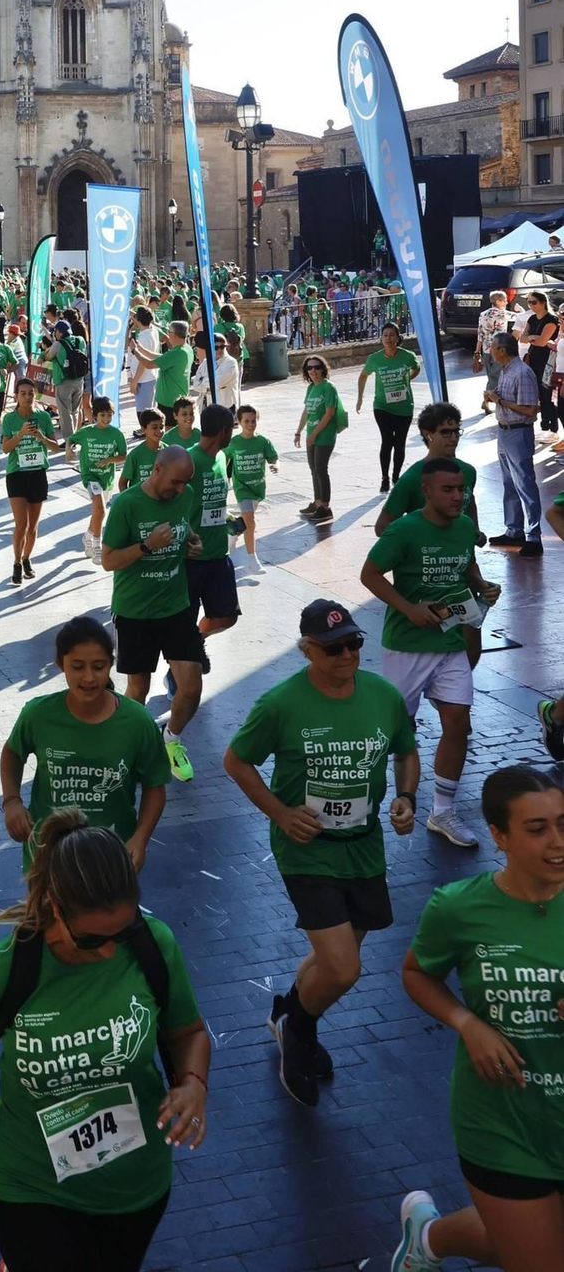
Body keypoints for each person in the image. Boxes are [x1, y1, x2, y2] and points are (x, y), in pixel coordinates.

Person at [0, 814, 211, 1272]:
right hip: (31, 1185)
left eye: (122, 931)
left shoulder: (153, 946)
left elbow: (189, 1032)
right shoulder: (2, 969)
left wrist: (195, 1083)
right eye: (92, 937)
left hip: (135, 1184)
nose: (107, 950)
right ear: (55, 904)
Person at [223, 599, 420, 1109]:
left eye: (354, 643)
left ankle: (288, 1012)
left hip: (363, 847)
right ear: (307, 650)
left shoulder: (382, 696)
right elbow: (236, 761)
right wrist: (281, 814)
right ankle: (299, 1035)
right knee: (343, 967)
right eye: (333, 648)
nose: (347, 655)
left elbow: (406, 749)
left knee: (338, 958)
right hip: (306, 851)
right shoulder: (280, 704)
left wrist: (406, 797)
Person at [392, 765, 564, 1272]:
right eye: (537, 829)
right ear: (499, 835)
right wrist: (468, 1024)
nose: (557, 842)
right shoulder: (457, 909)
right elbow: (417, 974)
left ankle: (430, 1238)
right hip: (502, 1122)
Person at [361, 457, 499, 851]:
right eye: (448, 490)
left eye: (461, 489)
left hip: (450, 640)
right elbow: (369, 575)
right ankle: (370, 805)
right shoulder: (403, 531)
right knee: (397, 732)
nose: (458, 496)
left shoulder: (465, 528)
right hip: (407, 646)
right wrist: (408, 608)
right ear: (427, 491)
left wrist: (483, 584)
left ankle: (442, 810)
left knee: (458, 722)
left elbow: (466, 567)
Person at [1, 617, 168, 871]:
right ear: (60, 665)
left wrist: (140, 837)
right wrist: (11, 801)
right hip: (48, 860)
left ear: (111, 665)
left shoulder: (138, 722)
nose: (89, 677)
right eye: (77, 666)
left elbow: (155, 786)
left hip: (112, 858)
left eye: (98, 666)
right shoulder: (38, 714)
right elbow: (13, 752)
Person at [101, 445, 203, 782]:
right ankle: (131, 746)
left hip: (176, 607)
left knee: (191, 686)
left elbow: (184, 525)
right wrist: (146, 546)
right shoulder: (126, 504)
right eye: (175, 482)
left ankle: (170, 739)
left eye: (184, 484)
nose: (179, 489)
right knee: (137, 690)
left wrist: (191, 540)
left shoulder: (185, 495)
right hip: (135, 612)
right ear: (156, 470)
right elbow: (108, 560)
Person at [375, 401, 480, 537]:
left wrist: (475, 531)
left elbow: (469, 503)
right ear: (427, 434)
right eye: (446, 432)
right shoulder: (412, 478)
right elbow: (382, 528)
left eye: (456, 431)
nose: (454, 438)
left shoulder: (468, 471)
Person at [183, 404, 241, 649]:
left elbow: (211, 499)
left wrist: (227, 518)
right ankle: (183, 661)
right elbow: (167, 503)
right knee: (183, 622)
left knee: (227, 616)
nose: (232, 434)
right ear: (223, 431)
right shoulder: (188, 460)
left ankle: (195, 640)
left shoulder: (221, 456)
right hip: (191, 559)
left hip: (218, 553)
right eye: (232, 429)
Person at [484, 331, 543, 554]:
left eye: (493, 346)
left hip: (519, 432)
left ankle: (534, 536)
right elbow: (506, 395)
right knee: (509, 483)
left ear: (502, 350)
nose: (490, 350)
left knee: (525, 483)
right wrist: (493, 396)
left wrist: (499, 400)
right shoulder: (506, 370)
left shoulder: (522, 372)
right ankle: (514, 529)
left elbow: (530, 409)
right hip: (505, 431)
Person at [0, 376, 63, 585]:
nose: (27, 397)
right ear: (16, 396)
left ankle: (27, 558)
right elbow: (5, 448)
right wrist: (20, 434)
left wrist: (41, 438)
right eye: (22, 393)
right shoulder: (9, 419)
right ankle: (16, 562)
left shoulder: (43, 417)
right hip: (16, 474)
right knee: (21, 525)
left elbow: (55, 447)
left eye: (30, 393)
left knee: (33, 527)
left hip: (37, 473)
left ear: (35, 395)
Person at [357, 323, 422, 494]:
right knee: (387, 441)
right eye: (385, 335)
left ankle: (396, 476)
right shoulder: (375, 358)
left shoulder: (407, 356)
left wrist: (408, 378)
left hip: (404, 407)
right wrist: (359, 398)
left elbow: (416, 367)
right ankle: (384, 477)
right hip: (382, 406)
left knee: (399, 443)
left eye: (391, 335)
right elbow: (363, 376)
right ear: (381, 339)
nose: (388, 338)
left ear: (398, 338)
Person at [67, 396, 127, 562]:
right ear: (95, 416)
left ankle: (88, 535)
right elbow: (71, 439)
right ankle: (97, 546)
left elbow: (123, 456)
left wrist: (109, 460)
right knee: (100, 509)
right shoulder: (87, 432)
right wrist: (68, 448)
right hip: (90, 476)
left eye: (110, 415)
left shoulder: (116, 434)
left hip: (106, 479)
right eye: (103, 415)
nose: (106, 419)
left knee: (99, 512)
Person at [225, 403, 277, 572]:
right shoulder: (234, 443)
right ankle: (252, 560)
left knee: (247, 521)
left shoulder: (262, 441)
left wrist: (274, 465)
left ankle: (233, 533)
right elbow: (223, 459)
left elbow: (273, 458)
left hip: (258, 489)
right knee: (251, 523)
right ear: (239, 422)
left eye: (253, 420)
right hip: (242, 488)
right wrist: (223, 478)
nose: (250, 424)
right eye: (246, 421)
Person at [295, 354, 342, 523]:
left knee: (321, 469)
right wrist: (299, 431)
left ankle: (325, 507)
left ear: (323, 369)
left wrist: (314, 434)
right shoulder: (311, 388)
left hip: (325, 435)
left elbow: (329, 414)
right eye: (309, 368)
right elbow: (307, 411)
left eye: (317, 367)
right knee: (314, 469)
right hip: (311, 434)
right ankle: (317, 502)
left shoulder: (328, 388)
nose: (313, 370)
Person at [515, 290, 558, 434]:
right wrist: (533, 337)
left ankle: (552, 424)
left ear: (543, 302)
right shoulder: (532, 319)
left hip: (547, 361)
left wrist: (532, 338)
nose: (531, 305)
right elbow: (522, 338)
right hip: (533, 358)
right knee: (538, 392)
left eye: (534, 302)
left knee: (547, 391)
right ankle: (545, 423)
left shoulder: (551, 319)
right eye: (529, 302)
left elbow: (542, 342)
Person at [48, 314, 90, 441]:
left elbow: (49, 356)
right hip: (79, 380)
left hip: (63, 381)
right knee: (75, 410)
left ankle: (69, 440)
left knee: (65, 412)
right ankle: (75, 437)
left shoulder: (57, 344)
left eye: (55, 331)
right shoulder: (80, 340)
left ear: (59, 332)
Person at [472, 288, 511, 410]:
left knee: (491, 375)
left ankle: (488, 400)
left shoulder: (483, 314)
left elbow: (480, 335)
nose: (506, 302)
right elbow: (521, 317)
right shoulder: (502, 314)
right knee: (497, 376)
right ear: (498, 301)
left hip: (486, 349)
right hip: (498, 349)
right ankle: (487, 398)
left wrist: (477, 351)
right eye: (505, 300)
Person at [152, 321, 193, 430]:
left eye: (169, 332)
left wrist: (134, 351)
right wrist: (140, 349)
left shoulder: (178, 352)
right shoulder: (186, 348)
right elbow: (161, 358)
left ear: (174, 335)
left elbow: (149, 364)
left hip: (169, 401)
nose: (167, 334)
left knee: (169, 433)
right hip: (176, 397)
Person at [128, 306, 161, 416]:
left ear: (138, 320)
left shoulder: (144, 338)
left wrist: (135, 381)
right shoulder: (152, 330)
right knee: (147, 412)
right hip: (148, 378)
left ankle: (145, 432)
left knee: (144, 414)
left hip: (144, 379)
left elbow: (143, 363)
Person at [119, 409, 164, 488]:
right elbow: (122, 483)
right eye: (154, 427)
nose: (159, 431)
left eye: (161, 427)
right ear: (143, 429)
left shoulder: (168, 452)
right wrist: (127, 499)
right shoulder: (135, 455)